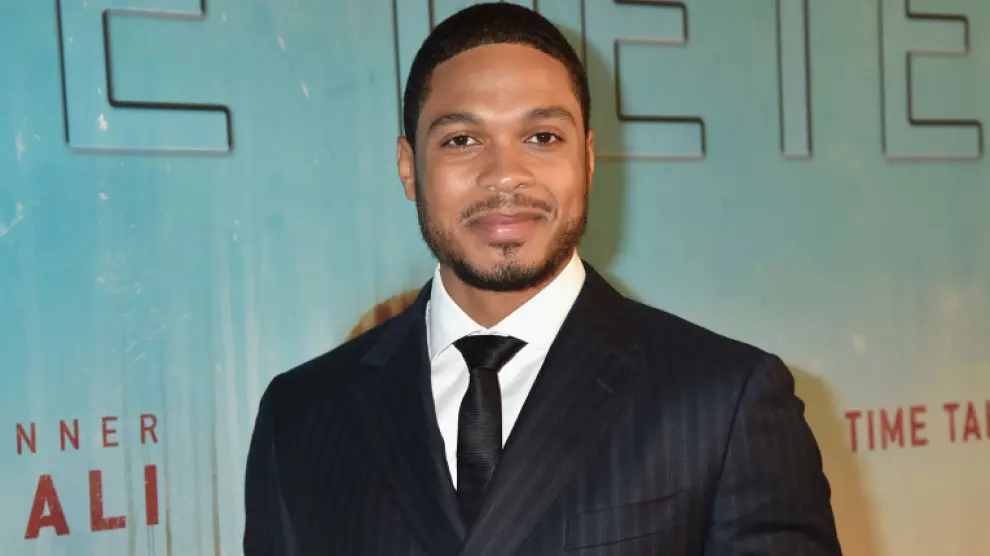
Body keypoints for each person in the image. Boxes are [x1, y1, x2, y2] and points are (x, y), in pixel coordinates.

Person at [243, 3, 843, 555]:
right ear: (409, 167)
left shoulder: (723, 400)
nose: (505, 174)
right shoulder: (299, 416)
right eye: (462, 139)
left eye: (542, 137)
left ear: (587, 159)